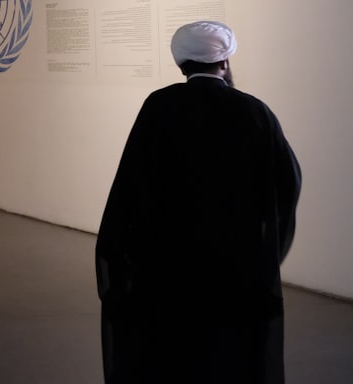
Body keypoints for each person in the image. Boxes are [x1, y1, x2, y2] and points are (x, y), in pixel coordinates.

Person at [95, 20, 301, 384]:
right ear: (224, 62)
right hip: (233, 262)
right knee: (229, 352)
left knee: (171, 350)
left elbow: (132, 184)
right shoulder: (253, 111)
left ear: (181, 64)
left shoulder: (159, 107)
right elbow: (288, 181)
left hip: (167, 264)